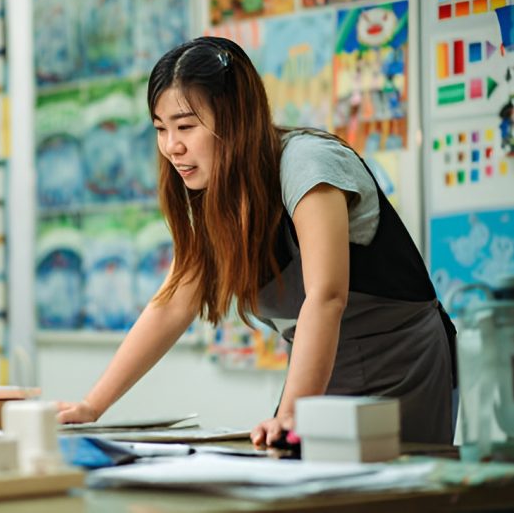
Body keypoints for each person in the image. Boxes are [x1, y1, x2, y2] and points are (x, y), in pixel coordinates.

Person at [56, 36, 457, 447]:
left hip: (400, 366)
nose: (172, 147)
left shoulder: (307, 164)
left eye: (186, 126)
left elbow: (326, 297)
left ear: (234, 119)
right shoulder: (218, 196)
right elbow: (172, 305)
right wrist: (91, 406)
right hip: (320, 373)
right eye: (161, 129)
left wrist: (290, 414)